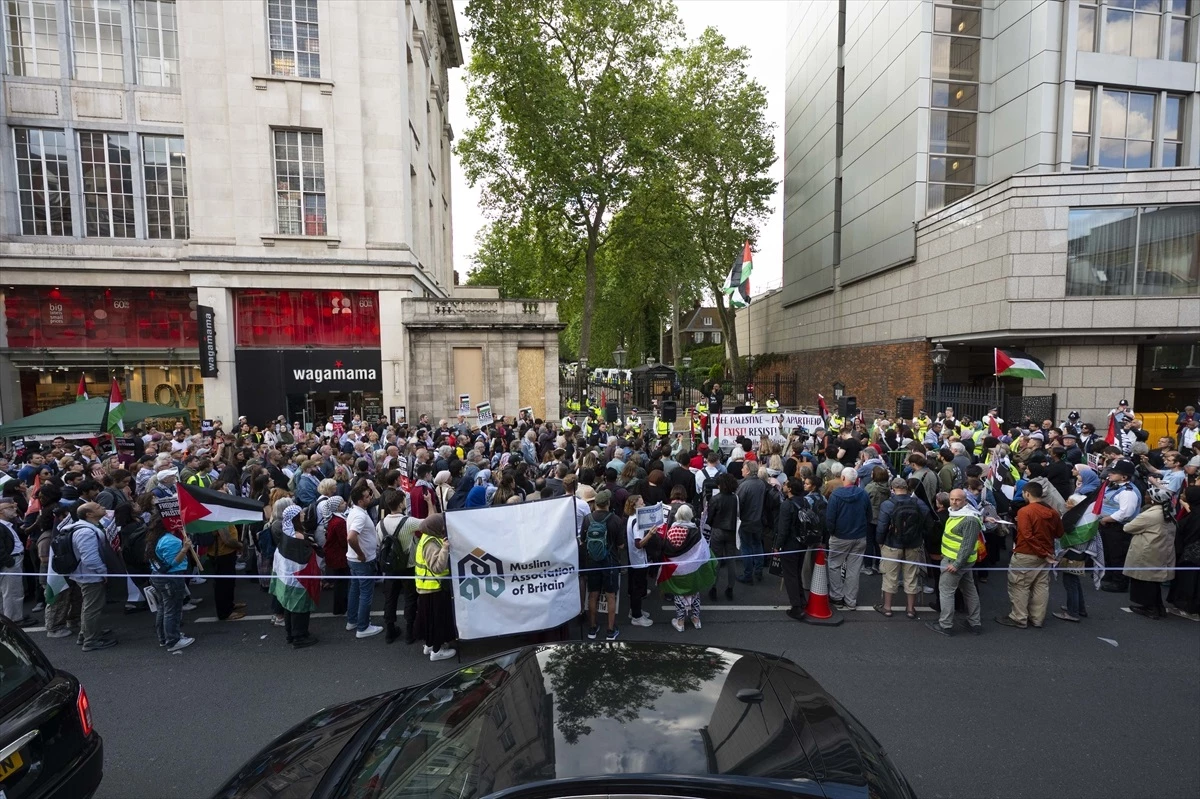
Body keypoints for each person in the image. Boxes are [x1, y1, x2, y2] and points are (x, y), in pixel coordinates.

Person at [995, 482, 1062, 629]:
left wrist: (1042, 552)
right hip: (1046, 553)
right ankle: (1037, 618)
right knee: (1041, 586)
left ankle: (1019, 617)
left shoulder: (1025, 511)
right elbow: (1059, 533)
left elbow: (1027, 535)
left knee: (1019, 585)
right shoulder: (1053, 512)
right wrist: (1045, 553)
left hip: (1026, 553)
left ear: (1027, 494)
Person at [927, 489, 983, 637]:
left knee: (946, 592)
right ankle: (974, 622)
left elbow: (967, 545)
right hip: (959, 561)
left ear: (965, 501)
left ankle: (945, 625)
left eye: (957, 500)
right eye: (952, 499)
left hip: (955, 562)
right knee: (969, 590)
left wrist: (957, 564)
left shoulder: (969, 519)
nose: (954, 502)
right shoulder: (957, 513)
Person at [874, 477, 929, 620]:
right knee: (911, 576)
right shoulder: (918, 503)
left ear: (892, 489)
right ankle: (911, 609)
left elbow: (881, 527)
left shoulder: (888, 504)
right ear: (907, 488)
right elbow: (928, 523)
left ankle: (887, 608)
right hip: (913, 544)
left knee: (889, 575)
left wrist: (880, 542)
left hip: (892, 544)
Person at [656, 503, 716, 631]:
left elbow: (665, 549)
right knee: (695, 593)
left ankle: (680, 621)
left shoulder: (671, 532)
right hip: (693, 571)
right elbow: (703, 550)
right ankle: (696, 619)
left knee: (679, 594)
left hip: (677, 571)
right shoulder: (695, 532)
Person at [1055, 466, 1104, 622]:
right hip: (1080, 553)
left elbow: (1066, 533)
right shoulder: (1086, 519)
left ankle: (1073, 612)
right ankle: (1079, 608)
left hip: (1073, 553)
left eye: (1068, 503)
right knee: (1074, 581)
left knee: (1070, 582)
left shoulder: (1077, 521)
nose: (1066, 505)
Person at [269, 505, 320, 648]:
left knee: (288, 607)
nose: (303, 514)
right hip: (299, 580)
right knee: (300, 608)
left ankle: (290, 634)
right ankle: (300, 637)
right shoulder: (297, 537)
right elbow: (306, 555)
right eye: (301, 513)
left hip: (286, 578)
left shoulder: (285, 532)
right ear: (295, 518)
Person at [1123, 487, 1177, 620]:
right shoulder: (1170, 511)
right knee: (1154, 582)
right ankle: (1158, 607)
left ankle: (1151, 609)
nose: (1145, 497)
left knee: (1144, 581)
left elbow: (1128, 527)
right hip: (1163, 549)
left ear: (1153, 500)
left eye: (1147, 495)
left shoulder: (1149, 515)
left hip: (1147, 550)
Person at [70, 502, 117, 651]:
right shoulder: (86, 532)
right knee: (93, 608)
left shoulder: (84, 528)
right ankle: (91, 640)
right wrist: (103, 572)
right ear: (89, 515)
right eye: (97, 507)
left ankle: (87, 633)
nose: (102, 507)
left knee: (89, 606)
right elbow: (90, 558)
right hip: (90, 576)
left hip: (85, 574)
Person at [146, 516, 195, 652]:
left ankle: (164, 637)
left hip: (157, 576)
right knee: (172, 609)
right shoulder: (171, 541)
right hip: (171, 577)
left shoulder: (154, 539)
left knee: (163, 608)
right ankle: (173, 641)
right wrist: (185, 548)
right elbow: (172, 563)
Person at [581, 489, 624, 640]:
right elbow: (620, 546)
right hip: (610, 562)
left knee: (593, 595)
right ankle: (610, 630)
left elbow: (582, 540)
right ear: (608, 503)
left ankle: (592, 628)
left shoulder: (587, 519)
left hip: (592, 562)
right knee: (611, 596)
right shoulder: (616, 520)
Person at [825, 470, 871, 610]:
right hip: (859, 536)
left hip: (840, 536)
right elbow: (869, 514)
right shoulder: (863, 494)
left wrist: (832, 532)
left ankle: (837, 597)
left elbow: (830, 518)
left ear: (843, 478)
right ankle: (851, 600)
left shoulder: (836, 495)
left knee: (834, 565)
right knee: (854, 569)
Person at [378, 491, 420, 644]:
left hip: (389, 566)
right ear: (401, 503)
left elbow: (379, 544)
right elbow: (429, 522)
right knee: (410, 598)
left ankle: (390, 630)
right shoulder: (409, 522)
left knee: (390, 597)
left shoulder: (380, 524)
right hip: (408, 565)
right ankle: (410, 631)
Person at [413, 513, 456, 661]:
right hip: (434, 587)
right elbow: (437, 567)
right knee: (438, 621)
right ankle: (437, 651)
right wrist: (444, 549)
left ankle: (429, 644)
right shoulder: (431, 543)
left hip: (426, 587)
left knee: (429, 619)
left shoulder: (426, 537)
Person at [774, 477, 817, 620]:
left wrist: (777, 545)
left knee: (790, 575)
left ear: (790, 489)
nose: (784, 486)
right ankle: (801, 600)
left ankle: (796, 607)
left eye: (786, 485)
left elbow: (783, 528)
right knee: (796, 572)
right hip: (802, 542)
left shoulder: (787, 505)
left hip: (790, 544)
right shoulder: (804, 501)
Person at [344, 483, 383, 638]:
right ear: (360, 501)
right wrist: (360, 554)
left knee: (355, 590)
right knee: (366, 593)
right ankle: (363, 626)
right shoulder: (360, 515)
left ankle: (353, 620)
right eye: (368, 496)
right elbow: (351, 537)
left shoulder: (355, 511)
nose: (370, 498)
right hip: (362, 560)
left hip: (354, 559)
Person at [1167, 486, 1200, 621]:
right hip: (1192, 553)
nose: (1182, 496)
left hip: (1191, 555)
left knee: (1189, 582)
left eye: (1185, 494)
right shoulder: (1194, 512)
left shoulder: (1195, 516)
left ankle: (1189, 609)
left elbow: (1187, 533)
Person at [0, 499, 35, 627]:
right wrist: (9, 562)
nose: (14, 509)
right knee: (13, 592)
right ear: (2, 511)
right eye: (10, 507)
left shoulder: (7, 524)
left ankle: (9, 617)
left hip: (13, 560)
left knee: (9, 591)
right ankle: (14, 620)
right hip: (10, 562)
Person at [705, 474, 740, 601]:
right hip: (731, 531)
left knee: (716, 560)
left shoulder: (715, 498)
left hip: (718, 530)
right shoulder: (735, 498)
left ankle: (713, 587)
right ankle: (730, 587)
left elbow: (710, 518)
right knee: (731, 561)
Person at [735, 464, 768, 583]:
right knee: (757, 545)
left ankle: (748, 574)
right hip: (758, 520)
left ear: (748, 471)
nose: (741, 469)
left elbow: (739, 504)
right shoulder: (761, 484)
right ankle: (758, 571)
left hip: (746, 521)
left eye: (743, 468)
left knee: (746, 547)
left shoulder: (744, 486)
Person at [624, 494, 653, 627]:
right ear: (635, 506)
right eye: (642, 504)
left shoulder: (631, 518)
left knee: (636, 587)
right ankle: (637, 616)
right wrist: (650, 535)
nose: (644, 505)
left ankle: (635, 610)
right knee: (638, 589)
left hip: (634, 558)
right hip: (639, 559)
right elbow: (639, 543)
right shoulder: (637, 522)